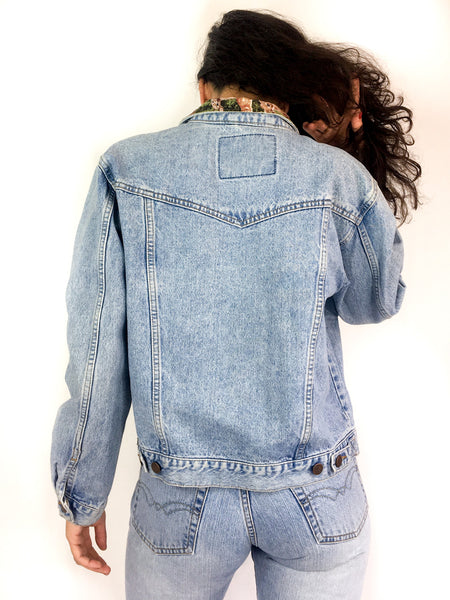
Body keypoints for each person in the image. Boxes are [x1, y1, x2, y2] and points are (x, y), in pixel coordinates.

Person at [51, 9, 420, 600]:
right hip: (317, 493)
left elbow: (96, 349)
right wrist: (347, 155)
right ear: (288, 93)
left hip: (178, 501)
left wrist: (83, 490)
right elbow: (374, 302)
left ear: (205, 88)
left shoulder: (127, 169)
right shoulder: (335, 176)